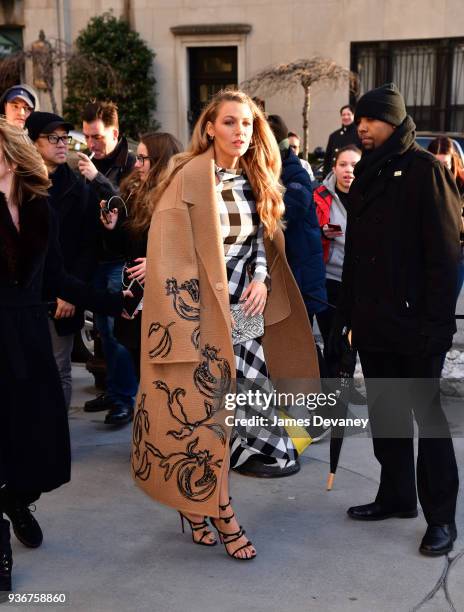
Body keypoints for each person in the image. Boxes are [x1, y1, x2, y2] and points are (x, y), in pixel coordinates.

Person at [132, 89, 319, 560]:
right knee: (206, 416)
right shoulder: (186, 175)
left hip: (244, 312)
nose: (241, 132)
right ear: (210, 127)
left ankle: (198, 509)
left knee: (242, 408)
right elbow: (170, 248)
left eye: (248, 124)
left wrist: (260, 279)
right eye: (231, 123)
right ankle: (222, 513)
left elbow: (262, 241)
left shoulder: (256, 177)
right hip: (197, 315)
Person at [331, 83, 461, 556]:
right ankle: (397, 496)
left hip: (417, 326)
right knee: (387, 413)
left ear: (393, 119)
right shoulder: (366, 171)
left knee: (427, 420)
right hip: (373, 322)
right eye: (358, 120)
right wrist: (345, 317)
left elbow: (445, 259)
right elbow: (355, 256)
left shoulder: (426, 172)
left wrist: (435, 326)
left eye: (371, 119)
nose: (361, 127)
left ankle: (441, 518)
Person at [0, 118, 126, 593]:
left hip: (30, 336)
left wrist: (119, 305)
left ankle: (16, 501)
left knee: (43, 446)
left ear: (10, 156)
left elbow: (58, 280)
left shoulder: (40, 210)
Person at [25, 111, 97, 409]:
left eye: (64, 137)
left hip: (61, 298)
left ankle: (59, 444)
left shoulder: (77, 188)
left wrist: (71, 293)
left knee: (59, 369)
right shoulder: (18, 183)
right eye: (52, 137)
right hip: (24, 295)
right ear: (32, 142)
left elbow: (88, 247)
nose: (61, 144)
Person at [99, 132, 182, 379]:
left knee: (165, 376)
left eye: (143, 158)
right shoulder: (134, 194)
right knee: (141, 370)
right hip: (136, 297)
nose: (136, 163)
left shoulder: (180, 197)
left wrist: (158, 264)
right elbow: (125, 247)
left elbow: (193, 249)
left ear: (160, 161)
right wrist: (112, 227)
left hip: (167, 301)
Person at [77, 101, 138, 425]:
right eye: (87, 137)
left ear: (114, 132)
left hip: (118, 262)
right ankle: (114, 391)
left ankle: (124, 399)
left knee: (118, 333)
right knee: (102, 332)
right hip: (95, 261)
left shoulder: (129, 164)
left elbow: (127, 207)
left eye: (97, 137)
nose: (91, 144)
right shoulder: (89, 165)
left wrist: (98, 177)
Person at [314, 145, 362, 376]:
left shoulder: (371, 195)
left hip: (361, 281)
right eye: (343, 164)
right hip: (329, 279)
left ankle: (340, 389)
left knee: (349, 345)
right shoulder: (320, 196)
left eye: (354, 165)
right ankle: (334, 395)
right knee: (333, 341)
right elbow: (305, 235)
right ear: (334, 168)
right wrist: (322, 232)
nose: (348, 170)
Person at [427, 136, 464, 298]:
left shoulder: (462, 182)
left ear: (453, 162)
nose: (440, 171)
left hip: (456, 253)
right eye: (435, 164)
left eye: (445, 165)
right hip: (427, 252)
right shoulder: (422, 180)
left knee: (448, 299)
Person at [322, 104, 360, 178]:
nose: (345, 117)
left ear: (354, 115)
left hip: (354, 176)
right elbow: (328, 159)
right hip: (334, 177)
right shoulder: (334, 136)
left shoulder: (360, 134)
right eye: (343, 115)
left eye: (348, 114)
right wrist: (326, 176)